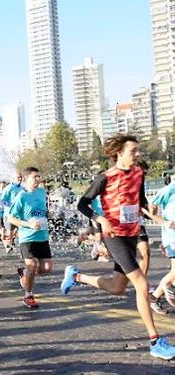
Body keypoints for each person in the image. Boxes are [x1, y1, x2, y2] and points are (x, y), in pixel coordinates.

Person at [63, 134, 175, 360]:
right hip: (113, 235)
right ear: (119, 153)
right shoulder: (105, 178)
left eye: (138, 150)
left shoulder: (138, 173)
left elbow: (140, 199)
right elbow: (82, 204)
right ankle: (155, 341)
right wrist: (101, 219)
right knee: (142, 285)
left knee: (117, 288)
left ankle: (76, 277)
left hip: (132, 234)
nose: (138, 154)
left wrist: (152, 211)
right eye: (133, 151)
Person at [7, 167, 52, 309]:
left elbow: (41, 211)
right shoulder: (21, 196)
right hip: (27, 238)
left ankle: (25, 273)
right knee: (33, 265)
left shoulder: (41, 192)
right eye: (35, 177)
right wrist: (28, 224)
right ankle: (28, 295)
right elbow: (11, 218)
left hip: (42, 236)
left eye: (39, 177)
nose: (38, 180)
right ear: (26, 179)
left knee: (46, 269)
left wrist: (47, 216)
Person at [144, 170, 175, 315]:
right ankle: (164, 287)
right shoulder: (169, 189)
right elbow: (149, 209)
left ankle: (154, 297)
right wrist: (164, 222)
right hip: (172, 236)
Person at [1, 171, 24, 253]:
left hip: (19, 215)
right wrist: (11, 204)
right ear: (13, 179)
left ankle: (22, 248)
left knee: (21, 230)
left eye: (21, 177)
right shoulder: (8, 188)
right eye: (18, 177)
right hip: (9, 214)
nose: (20, 179)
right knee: (9, 233)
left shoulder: (22, 188)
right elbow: (2, 201)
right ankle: (7, 244)